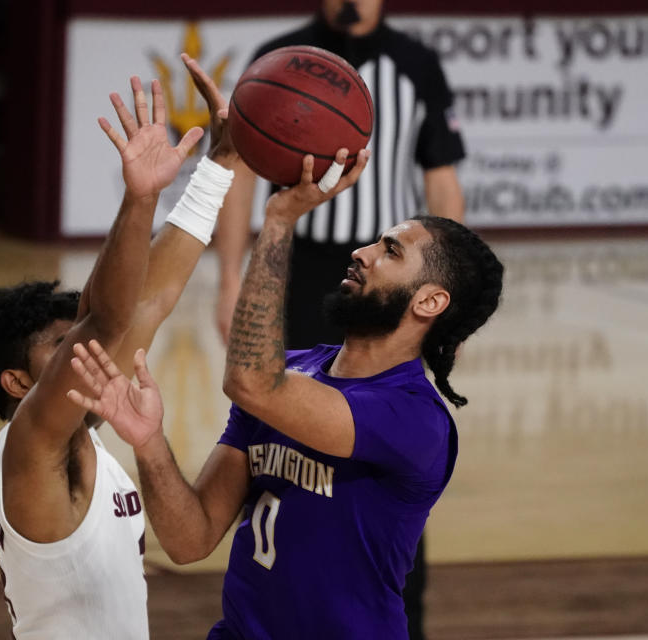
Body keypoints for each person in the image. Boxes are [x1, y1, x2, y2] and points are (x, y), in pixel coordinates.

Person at [65, 150, 503, 639]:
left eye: (392, 251)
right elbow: (191, 539)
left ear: (429, 301)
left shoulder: (414, 419)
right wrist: (149, 444)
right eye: (378, 242)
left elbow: (251, 381)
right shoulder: (295, 369)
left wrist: (278, 219)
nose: (363, 252)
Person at [0, 56, 237, 639]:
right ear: (18, 383)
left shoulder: (82, 437)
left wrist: (219, 168)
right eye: (61, 345)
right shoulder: (29, 446)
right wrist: (139, 200)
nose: (86, 351)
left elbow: (149, 302)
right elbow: (107, 319)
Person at [214, 3, 467, 634]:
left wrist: (447, 300)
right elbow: (242, 179)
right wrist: (226, 279)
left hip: (388, 281)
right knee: (277, 432)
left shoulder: (416, 64)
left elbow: (442, 184)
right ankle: (282, 582)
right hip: (300, 275)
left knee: (386, 460)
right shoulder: (278, 59)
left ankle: (397, 614)